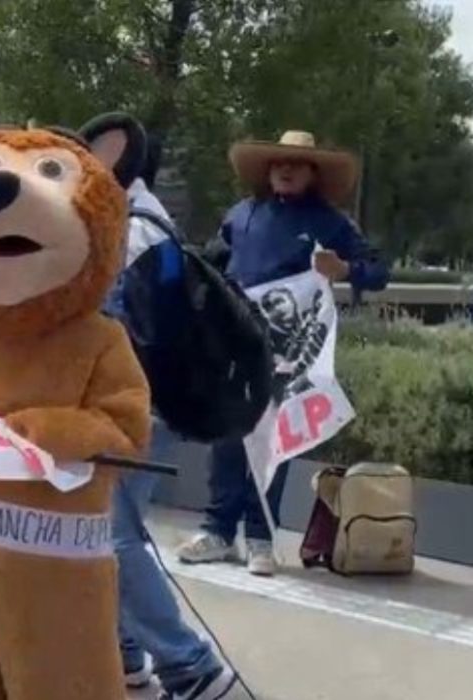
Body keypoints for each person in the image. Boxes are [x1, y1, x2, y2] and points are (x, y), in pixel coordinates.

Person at [177, 130, 389, 576]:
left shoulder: (332, 223)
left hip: (288, 354)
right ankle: (217, 531)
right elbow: (208, 265)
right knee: (227, 439)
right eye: (278, 164)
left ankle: (261, 538)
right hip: (234, 345)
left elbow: (378, 270)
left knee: (276, 439)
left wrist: (345, 268)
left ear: (313, 174)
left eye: (297, 164)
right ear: (267, 171)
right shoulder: (241, 215)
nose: (286, 170)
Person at [106, 134, 237, 700]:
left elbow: (119, 322)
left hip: (139, 403)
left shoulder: (135, 229)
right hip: (146, 400)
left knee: (111, 536)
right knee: (115, 532)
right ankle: (126, 657)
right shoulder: (143, 221)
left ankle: (191, 667)